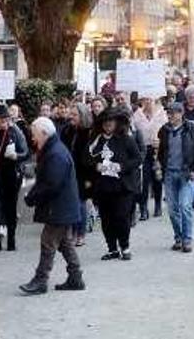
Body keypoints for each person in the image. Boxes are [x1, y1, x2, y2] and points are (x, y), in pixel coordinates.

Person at [19, 117, 84, 294]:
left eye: (34, 135)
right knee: (64, 243)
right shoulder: (54, 150)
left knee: (48, 242)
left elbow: (50, 184)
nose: (33, 138)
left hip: (59, 208)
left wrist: (31, 198)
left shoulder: (55, 153)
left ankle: (41, 280)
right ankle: (75, 277)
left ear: (44, 134)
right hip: (63, 207)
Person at [87, 109, 142, 260]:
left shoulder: (126, 139)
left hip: (122, 187)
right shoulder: (95, 140)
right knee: (106, 219)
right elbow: (86, 159)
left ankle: (125, 246)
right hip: (103, 186)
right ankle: (112, 248)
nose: (108, 125)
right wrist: (95, 166)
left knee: (122, 217)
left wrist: (121, 167)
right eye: (105, 122)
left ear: (117, 122)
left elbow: (138, 159)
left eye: (110, 122)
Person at [158, 103, 194, 253]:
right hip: (169, 173)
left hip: (186, 173)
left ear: (181, 114)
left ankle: (187, 239)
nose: (170, 116)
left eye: (173, 113)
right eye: (169, 114)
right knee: (172, 210)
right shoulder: (164, 130)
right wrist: (160, 166)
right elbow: (161, 152)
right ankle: (178, 237)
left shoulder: (193, 128)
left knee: (185, 206)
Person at [0, 103, 30, 252]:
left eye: (5, 119)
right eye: (0, 120)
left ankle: (11, 240)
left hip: (12, 174)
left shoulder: (14, 131)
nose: (4, 122)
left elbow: (26, 152)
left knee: (10, 207)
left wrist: (16, 156)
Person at [63, 102, 95, 246]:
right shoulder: (67, 130)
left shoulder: (89, 132)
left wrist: (90, 178)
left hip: (83, 172)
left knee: (80, 203)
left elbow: (91, 155)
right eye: (71, 114)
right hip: (68, 171)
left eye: (75, 114)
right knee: (70, 202)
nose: (72, 117)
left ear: (82, 116)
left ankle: (80, 232)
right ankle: (71, 230)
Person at [132, 96, 167, 219]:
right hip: (143, 150)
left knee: (157, 178)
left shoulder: (161, 113)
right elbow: (134, 132)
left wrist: (161, 141)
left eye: (150, 99)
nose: (148, 102)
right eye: (145, 99)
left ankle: (158, 205)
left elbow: (167, 131)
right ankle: (143, 208)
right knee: (144, 179)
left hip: (157, 150)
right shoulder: (137, 115)